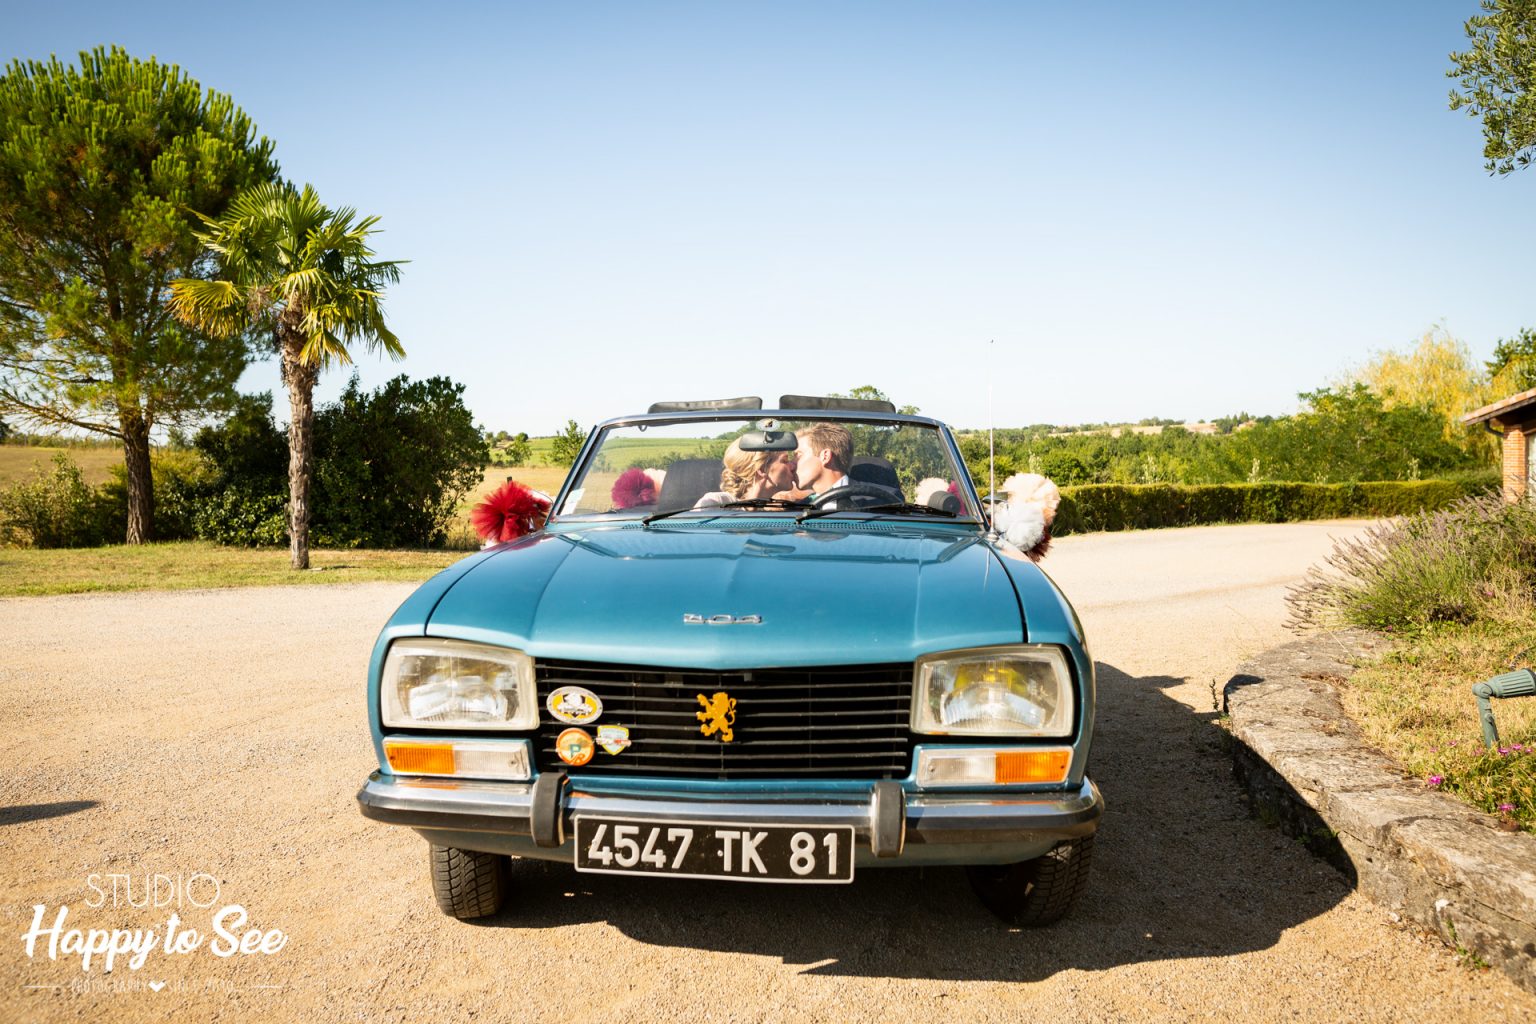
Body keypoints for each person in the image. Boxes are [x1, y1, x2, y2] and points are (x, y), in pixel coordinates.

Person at [695, 437, 799, 506]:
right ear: (763, 469)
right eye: (784, 461)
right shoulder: (715, 503)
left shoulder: (782, 509)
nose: (793, 465)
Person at [775, 422, 854, 504]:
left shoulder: (867, 502)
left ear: (825, 456)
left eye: (798, 455)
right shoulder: (799, 509)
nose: (791, 465)